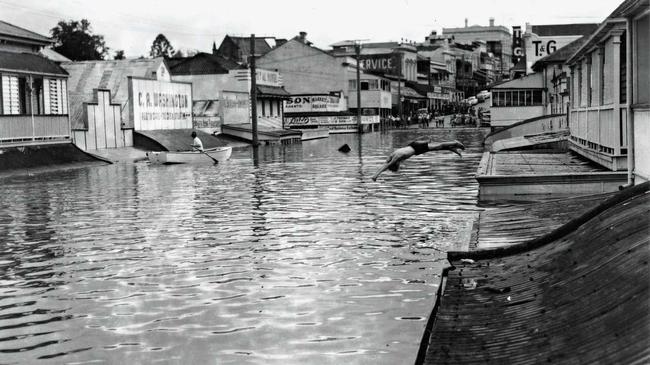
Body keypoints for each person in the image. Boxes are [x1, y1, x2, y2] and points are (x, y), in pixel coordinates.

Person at [371, 138, 465, 181]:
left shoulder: (397, 158)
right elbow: (385, 163)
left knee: (438, 146)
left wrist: (376, 175)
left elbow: (387, 166)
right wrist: (376, 174)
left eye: (398, 166)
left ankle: (455, 143)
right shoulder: (393, 155)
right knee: (437, 148)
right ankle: (454, 149)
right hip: (413, 146)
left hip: (416, 148)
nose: (400, 165)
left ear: (395, 164)